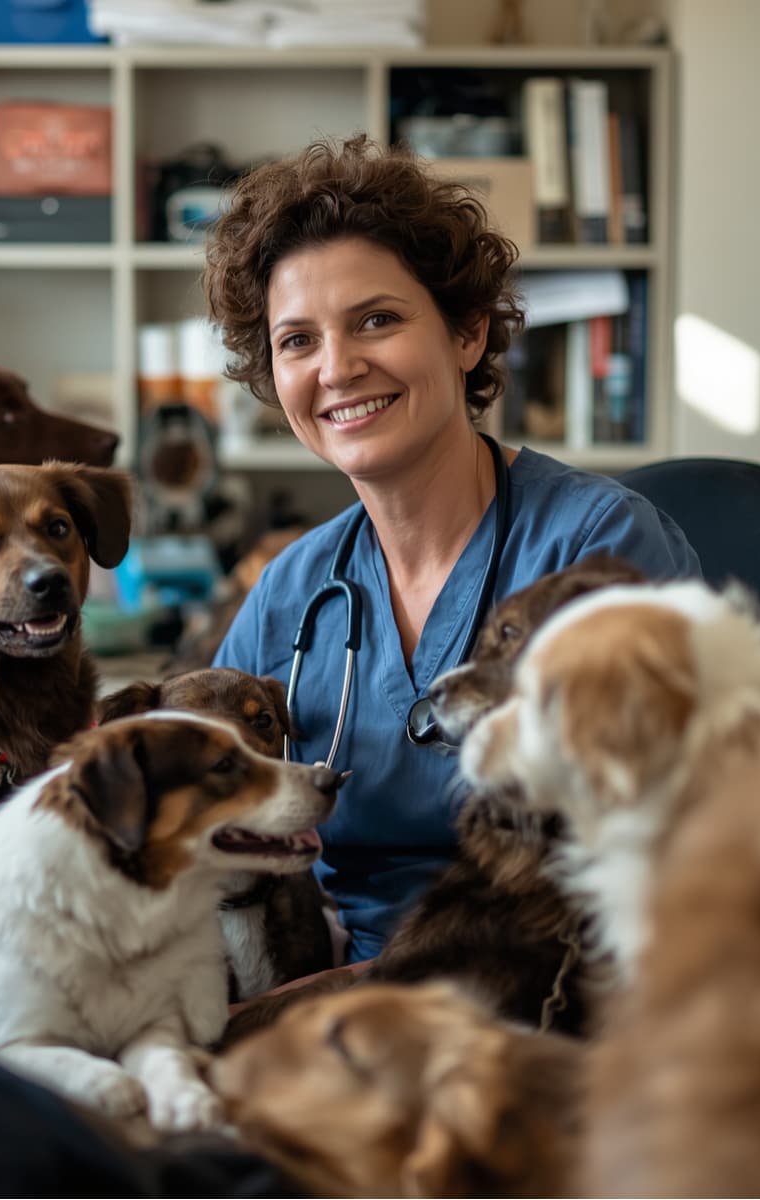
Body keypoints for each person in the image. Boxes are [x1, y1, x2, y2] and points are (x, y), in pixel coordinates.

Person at [204, 135, 700, 965]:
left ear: (468, 334)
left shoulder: (596, 546)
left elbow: (671, 853)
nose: (338, 367)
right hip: (343, 987)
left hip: (560, 991)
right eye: (297, 341)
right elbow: (195, 823)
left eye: (378, 320)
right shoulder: (292, 591)